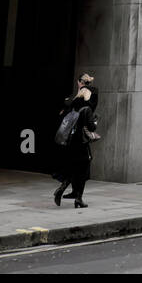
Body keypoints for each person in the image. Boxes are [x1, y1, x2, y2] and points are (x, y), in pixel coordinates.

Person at [53, 74, 98, 209]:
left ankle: (62, 188)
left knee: (73, 167)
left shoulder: (73, 106)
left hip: (71, 142)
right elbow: (91, 127)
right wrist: (95, 122)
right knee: (84, 169)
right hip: (82, 143)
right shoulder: (87, 108)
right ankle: (78, 198)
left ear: (80, 84)